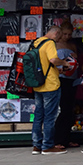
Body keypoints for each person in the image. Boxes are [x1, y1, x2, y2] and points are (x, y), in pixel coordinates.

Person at [30, 23, 71, 155]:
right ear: (56, 34)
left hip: (38, 84)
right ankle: (47, 146)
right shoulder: (49, 43)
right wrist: (64, 62)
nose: (58, 41)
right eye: (58, 38)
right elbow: (53, 59)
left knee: (38, 116)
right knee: (50, 116)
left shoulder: (36, 42)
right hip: (50, 84)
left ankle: (36, 145)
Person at [53, 22, 81, 148]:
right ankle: (58, 140)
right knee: (62, 110)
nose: (67, 36)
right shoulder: (54, 44)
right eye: (64, 34)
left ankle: (66, 138)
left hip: (72, 79)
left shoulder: (72, 45)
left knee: (70, 110)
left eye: (69, 34)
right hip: (60, 78)